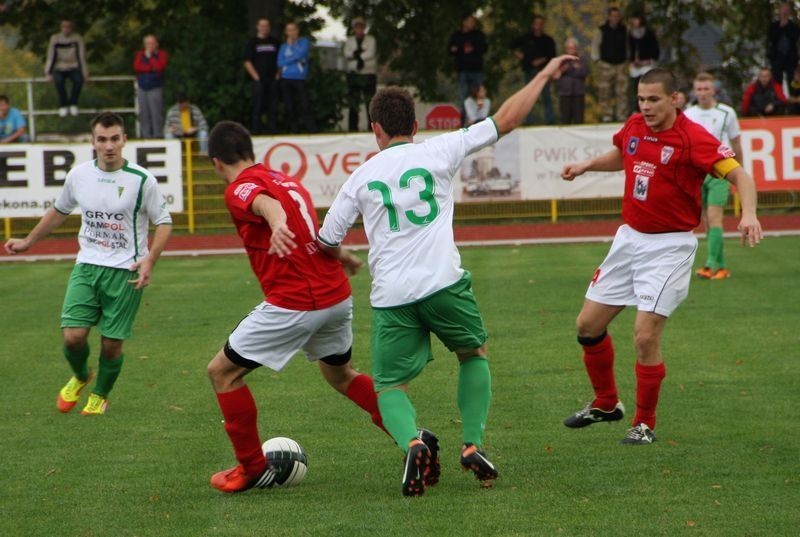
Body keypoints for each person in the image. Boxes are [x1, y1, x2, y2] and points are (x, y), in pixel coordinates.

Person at [317, 54, 577, 496]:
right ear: (415, 126)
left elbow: (326, 238)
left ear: (375, 129)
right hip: (444, 283)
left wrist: (342, 254)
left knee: (389, 386)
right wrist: (545, 75)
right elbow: (506, 119)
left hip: (393, 295)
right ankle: (471, 442)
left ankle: (413, 441)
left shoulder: (359, 177)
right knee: (473, 354)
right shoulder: (441, 148)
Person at [204, 120, 430, 493]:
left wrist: (275, 224)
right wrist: (342, 255)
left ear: (216, 162)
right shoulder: (288, 181)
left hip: (296, 301)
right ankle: (410, 435)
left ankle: (252, 468)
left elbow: (266, 205)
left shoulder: (239, 188)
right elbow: (310, 230)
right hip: (335, 296)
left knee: (222, 373)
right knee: (340, 375)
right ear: (250, 151)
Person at [560, 68, 762, 445]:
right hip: (629, 240)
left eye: (654, 99)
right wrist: (586, 165)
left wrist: (748, 213)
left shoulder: (693, 139)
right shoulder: (636, 125)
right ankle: (606, 403)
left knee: (644, 336)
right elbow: (623, 153)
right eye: (641, 99)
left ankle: (644, 423)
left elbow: (741, 177)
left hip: (669, 247)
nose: (646, 106)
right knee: (587, 326)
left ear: (675, 99)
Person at [4, 112, 173, 415]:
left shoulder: (142, 180)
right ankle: (82, 375)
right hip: (86, 265)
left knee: (110, 344)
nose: (108, 145)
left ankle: (100, 394)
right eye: (101, 139)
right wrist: (29, 241)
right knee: (72, 337)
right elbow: (59, 210)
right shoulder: (78, 175)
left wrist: (150, 260)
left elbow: (164, 222)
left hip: (126, 271)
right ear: (93, 141)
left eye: (114, 139)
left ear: (124, 140)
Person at [684, 72, 744, 280]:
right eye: (699, 89)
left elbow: (736, 143)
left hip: (719, 170)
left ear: (713, 90)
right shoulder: (688, 114)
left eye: (706, 89)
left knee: (715, 217)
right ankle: (721, 265)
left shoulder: (727, 112)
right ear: (694, 91)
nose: (702, 93)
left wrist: (739, 172)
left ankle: (710, 264)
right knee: (707, 221)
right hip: (697, 172)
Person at [511, 14, 556, 125]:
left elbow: (552, 56)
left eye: (540, 24)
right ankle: (528, 120)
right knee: (528, 96)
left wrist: (541, 61)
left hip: (543, 71)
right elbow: (512, 45)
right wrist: (520, 55)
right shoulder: (526, 38)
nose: (538, 26)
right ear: (532, 25)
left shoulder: (547, 40)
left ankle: (549, 120)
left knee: (546, 96)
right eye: (536, 24)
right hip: (529, 71)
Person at [44, 19, 89, 117]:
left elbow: (81, 56)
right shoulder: (55, 38)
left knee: (78, 80)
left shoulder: (77, 38)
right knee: (59, 81)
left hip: (74, 65)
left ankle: (73, 103)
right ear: (61, 27)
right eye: (64, 26)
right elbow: (51, 56)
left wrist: (85, 73)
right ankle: (63, 105)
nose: (66, 29)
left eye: (68, 27)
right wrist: (48, 72)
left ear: (72, 28)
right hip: (60, 66)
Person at [277, 22, 316, 133]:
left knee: (305, 105)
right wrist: (292, 57)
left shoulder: (303, 42)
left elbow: (301, 54)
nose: (291, 32)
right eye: (289, 30)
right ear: (286, 32)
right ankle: (293, 130)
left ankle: (311, 130)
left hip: (300, 78)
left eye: (293, 29)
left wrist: (288, 59)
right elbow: (279, 63)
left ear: (297, 30)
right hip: (286, 78)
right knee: (289, 106)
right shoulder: (284, 46)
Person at [244, 17, 280, 135]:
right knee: (257, 107)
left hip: (272, 79)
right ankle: (256, 132)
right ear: (258, 27)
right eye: (262, 26)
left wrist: (277, 74)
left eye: (266, 26)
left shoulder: (275, 42)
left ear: (269, 28)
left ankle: (272, 131)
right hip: (259, 80)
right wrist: (256, 77)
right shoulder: (252, 42)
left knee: (272, 107)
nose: (264, 28)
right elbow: (247, 61)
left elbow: (281, 60)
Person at [591, 7, 628, 122]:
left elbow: (628, 46)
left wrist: (628, 59)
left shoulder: (624, 30)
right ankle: (607, 115)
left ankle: (621, 115)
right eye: (613, 16)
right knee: (605, 92)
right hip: (606, 65)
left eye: (617, 16)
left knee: (622, 92)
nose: (615, 18)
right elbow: (595, 45)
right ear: (609, 16)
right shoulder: (602, 30)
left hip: (621, 65)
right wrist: (597, 60)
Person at [343, 17, 377, 132]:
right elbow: (346, 53)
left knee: (370, 102)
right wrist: (359, 55)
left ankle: (371, 128)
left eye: (361, 26)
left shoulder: (371, 39)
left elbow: (371, 53)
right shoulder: (350, 40)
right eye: (357, 27)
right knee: (353, 103)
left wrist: (357, 56)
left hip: (368, 73)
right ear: (354, 28)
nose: (359, 29)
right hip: (354, 74)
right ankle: (352, 128)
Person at [448, 14, 488, 111]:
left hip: (476, 69)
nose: (471, 24)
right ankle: (464, 117)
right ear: (464, 22)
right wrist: (459, 49)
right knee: (463, 95)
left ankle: (479, 116)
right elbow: (450, 49)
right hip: (462, 69)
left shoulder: (478, 35)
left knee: (479, 94)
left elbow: (484, 48)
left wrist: (473, 48)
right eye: (469, 21)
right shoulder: (457, 35)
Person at [133, 34, 168, 139]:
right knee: (144, 113)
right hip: (142, 87)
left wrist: (150, 58)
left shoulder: (162, 54)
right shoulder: (140, 54)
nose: (149, 46)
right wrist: (150, 67)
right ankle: (146, 136)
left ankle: (158, 135)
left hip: (155, 87)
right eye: (147, 43)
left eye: (152, 43)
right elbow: (137, 67)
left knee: (156, 113)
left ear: (156, 44)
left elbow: (159, 67)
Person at [627, 13, 659, 113]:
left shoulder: (649, 33)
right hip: (635, 65)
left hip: (647, 64)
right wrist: (631, 60)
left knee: (647, 85)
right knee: (635, 86)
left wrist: (648, 59)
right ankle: (636, 109)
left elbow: (654, 49)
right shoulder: (630, 34)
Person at [556, 38, 589, 125]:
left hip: (578, 94)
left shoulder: (582, 59)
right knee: (565, 120)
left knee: (579, 119)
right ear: (565, 49)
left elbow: (583, 72)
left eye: (573, 48)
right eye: (568, 48)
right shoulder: (560, 60)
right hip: (565, 94)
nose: (571, 50)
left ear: (576, 48)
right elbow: (556, 74)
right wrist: (571, 68)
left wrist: (568, 71)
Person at [767, 3, 800, 87]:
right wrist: (781, 26)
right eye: (783, 10)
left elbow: (794, 38)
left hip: (790, 59)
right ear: (779, 11)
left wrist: (786, 25)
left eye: (786, 10)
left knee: (793, 82)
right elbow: (772, 38)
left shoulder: (794, 26)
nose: (784, 12)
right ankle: (778, 99)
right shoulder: (774, 26)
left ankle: (794, 98)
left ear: (789, 13)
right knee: (777, 82)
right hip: (777, 58)